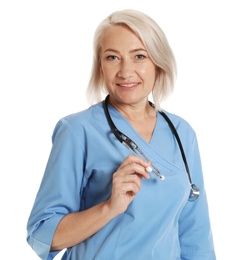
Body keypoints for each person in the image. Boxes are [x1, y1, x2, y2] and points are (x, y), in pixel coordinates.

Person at [26, 9, 216, 260]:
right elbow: (43, 234)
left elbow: (195, 238)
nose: (125, 72)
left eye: (139, 56)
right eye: (112, 57)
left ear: (157, 63)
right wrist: (109, 207)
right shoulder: (77, 131)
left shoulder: (181, 133)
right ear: (100, 65)